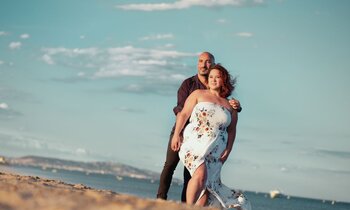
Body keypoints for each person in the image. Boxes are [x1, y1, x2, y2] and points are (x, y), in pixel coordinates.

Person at [156, 52, 242, 201]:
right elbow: (181, 112)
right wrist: (178, 134)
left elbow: (229, 121)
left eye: (208, 62)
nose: (204, 65)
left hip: (210, 144)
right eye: (201, 61)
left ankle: (185, 203)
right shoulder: (190, 85)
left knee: (193, 177)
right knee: (170, 165)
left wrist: (237, 108)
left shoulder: (225, 99)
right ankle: (160, 200)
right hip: (185, 132)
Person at [171, 64, 251, 209]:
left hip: (215, 151)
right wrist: (176, 134)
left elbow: (232, 130)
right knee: (200, 175)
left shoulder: (230, 105)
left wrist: (229, 149)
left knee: (206, 187)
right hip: (194, 143)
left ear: (223, 80)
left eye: (217, 77)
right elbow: (183, 114)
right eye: (211, 77)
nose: (213, 80)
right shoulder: (198, 94)